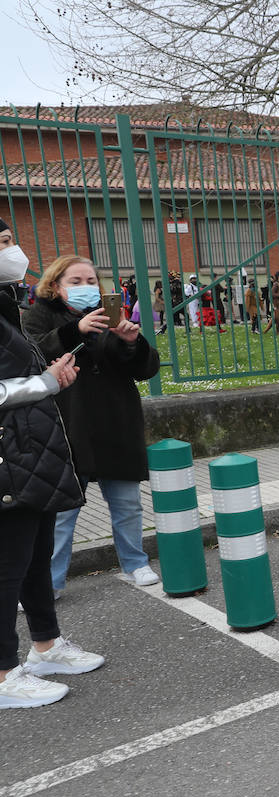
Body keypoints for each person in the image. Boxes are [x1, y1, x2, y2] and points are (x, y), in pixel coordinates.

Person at [0, 224, 105, 708]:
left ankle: (45, 644)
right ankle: (4, 674)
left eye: (9, 241)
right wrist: (43, 384)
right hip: (10, 455)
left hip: (31, 451)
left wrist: (50, 375)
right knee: (8, 566)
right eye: (1, 245)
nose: (13, 251)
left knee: (35, 553)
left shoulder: (5, 307)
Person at [21, 255, 162, 596]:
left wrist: (132, 342)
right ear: (55, 285)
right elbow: (31, 355)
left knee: (127, 504)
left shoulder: (106, 314)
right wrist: (75, 331)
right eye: (76, 281)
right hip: (68, 424)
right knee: (62, 513)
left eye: (90, 281)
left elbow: (144, 370)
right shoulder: (38, 315)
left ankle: (134, 562)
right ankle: (49, 582)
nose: (86, 288)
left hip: (116, 422)